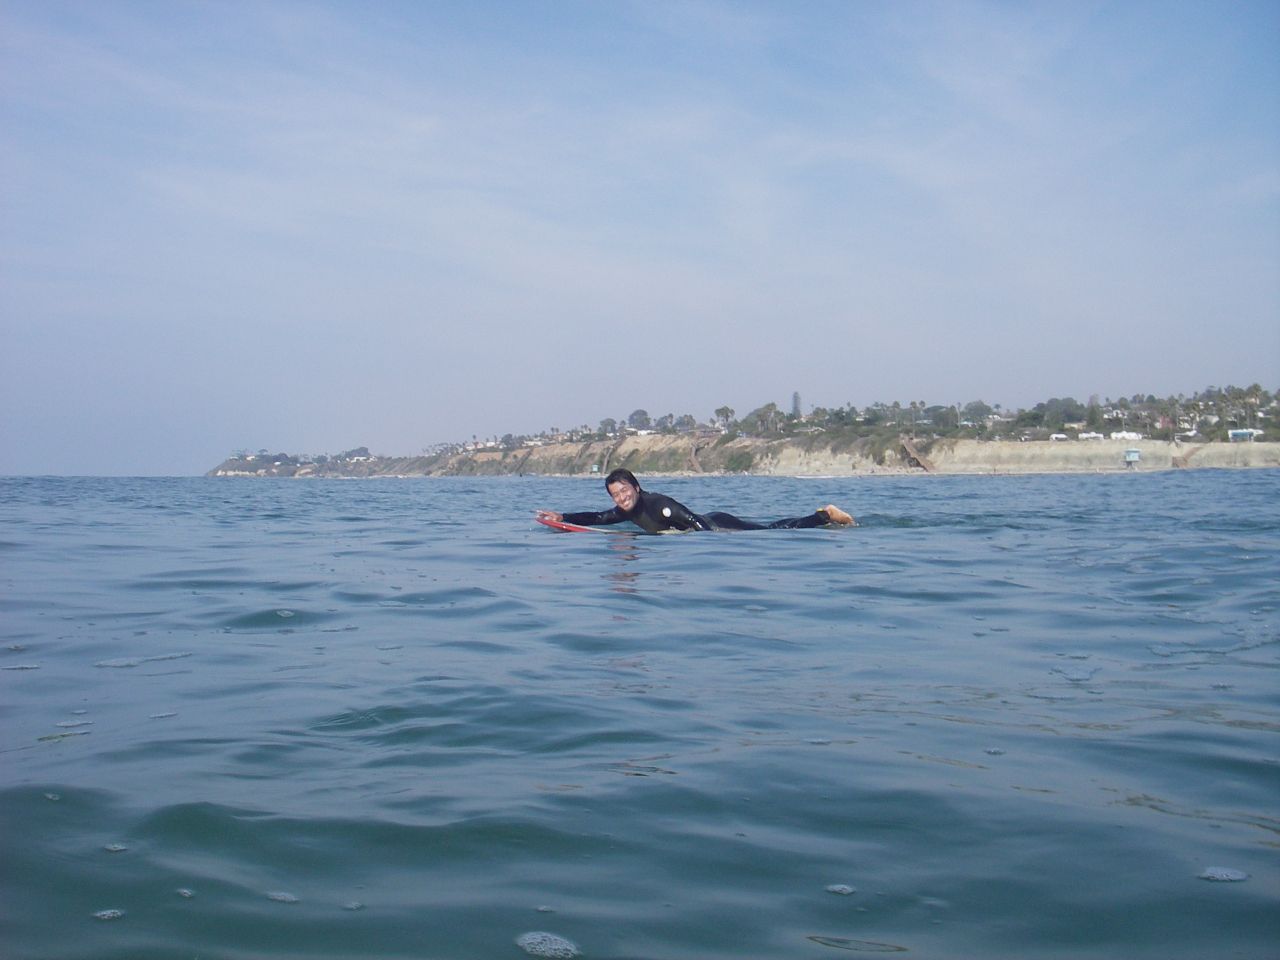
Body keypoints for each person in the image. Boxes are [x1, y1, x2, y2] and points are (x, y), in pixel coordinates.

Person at [536, 468, 856, 534]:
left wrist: (716, 539)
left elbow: (693, 521)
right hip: (709, 523)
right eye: (616, 495)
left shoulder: (658, 503)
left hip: (718, 524)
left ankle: (824, 516)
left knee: (772, 530)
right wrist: (563, 516)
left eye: (624, 490)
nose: (621, 498)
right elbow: (598, 518)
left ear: (636, 486)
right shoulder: (625, 512)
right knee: (772, 527)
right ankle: (822, 516)